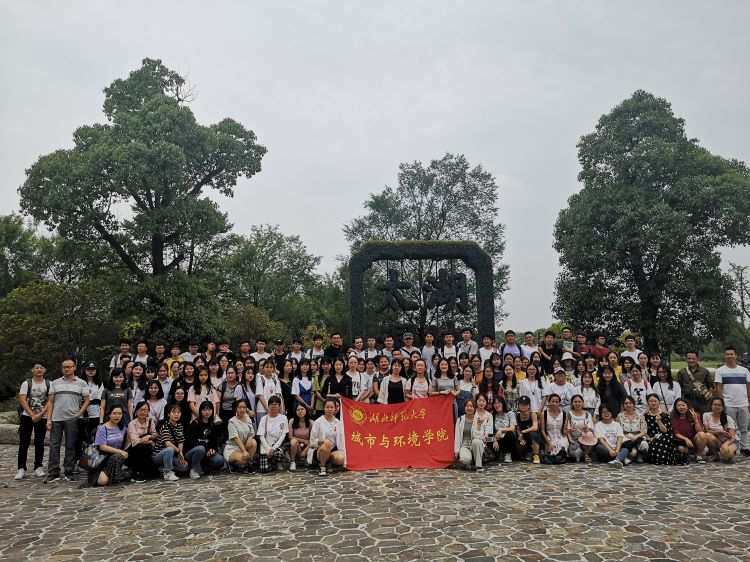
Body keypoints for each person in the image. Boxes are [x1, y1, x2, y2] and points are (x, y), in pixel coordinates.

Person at [44, 359, 90, 484]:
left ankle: (69, 471)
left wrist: (79, 414)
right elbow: (50, 401)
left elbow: (87, 400)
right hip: (56, 418)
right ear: (61, 368)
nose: (67, 369)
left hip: (72, 419)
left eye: (69, 367)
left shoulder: (81, 383)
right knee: (54, 446)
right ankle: (53, 472)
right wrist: (48, 419)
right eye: (64, 367)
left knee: (71, 445)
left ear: (75, 367)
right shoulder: (55, 382)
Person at [16, 360, 51, 480]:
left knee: (39, 442)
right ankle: (21, 468)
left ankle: (38, 467)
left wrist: (41, 414)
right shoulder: (27, 383)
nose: (39, 369)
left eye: (41, 367)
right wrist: (32, 414)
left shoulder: (48, 383)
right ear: (32, 370)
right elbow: (22, 400)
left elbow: (50, 401)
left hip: (42, 417)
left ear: (45, 370)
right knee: (24, 442)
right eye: (37, 367)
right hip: (27, 416)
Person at [714, 346, 750, 456]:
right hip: (728, 404)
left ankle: (744, 447)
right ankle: (731, 447)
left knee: (744, 427)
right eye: (727, 354)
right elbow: (718, 388)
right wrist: (722, 404)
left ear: (736, 355)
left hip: (743, 403)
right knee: (730, 428)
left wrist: (749, 401)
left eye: (732, 354)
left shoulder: (744, 370)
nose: (730, 356)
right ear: (725, 356)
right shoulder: (720, 371)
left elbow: (748, 387)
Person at [88, 405, 129, 487]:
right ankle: (113, 476)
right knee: (102, 482)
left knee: (118, 456)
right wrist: (121, 451)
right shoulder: (102, 428)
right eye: (114, 413)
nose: (117, 416)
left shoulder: (122, 428)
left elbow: (133, 436)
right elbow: (102, 447)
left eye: (119, 414)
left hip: (117, 458)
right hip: (103, 459)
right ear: (109, 415)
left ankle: (115, 477)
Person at [185, 401, 225, 479]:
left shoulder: (212, 425)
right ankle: (194, 469)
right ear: (200, 411)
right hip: (193, 453)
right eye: (204, 410)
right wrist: (204, 452)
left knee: (219, 460)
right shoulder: (195, 423)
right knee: (200, 448)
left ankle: (202, 466)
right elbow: (190, 442)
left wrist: (212, 450)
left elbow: (213, 441)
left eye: (209, 410)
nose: (207, 412)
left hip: (207, 452)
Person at [152, 403, 190, 481]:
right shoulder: (165, 426)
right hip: (158, 456)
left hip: (170, 456)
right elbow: (167, 443)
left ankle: (163, 468)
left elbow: (180, 441)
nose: (176, 414)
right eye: (173, 412)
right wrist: (178, 451)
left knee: (184, 466)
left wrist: (181, 453)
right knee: (170, 449)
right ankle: (168, 473)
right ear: (169, 414)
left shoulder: (179, 426)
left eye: (178, 412)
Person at [309, 397, 346, 476]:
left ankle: (329, 462)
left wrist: (343, 453)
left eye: (332, 407)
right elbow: (312, 441)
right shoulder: (318, 421)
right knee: (327, 445)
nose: (329, 409)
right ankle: (323, 467)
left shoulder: (338, 422)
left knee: (340, 459)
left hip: (333, 449)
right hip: (320, 449)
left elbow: (341, 440)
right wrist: (323, 441)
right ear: (324, 408)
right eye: (327, 407)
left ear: (335, 409)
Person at [454, 398, 492, 471]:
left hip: (476, 445)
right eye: (467, 406)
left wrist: (478, 426)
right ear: (464, 407)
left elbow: (479, 437)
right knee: (465, 460)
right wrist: (456, 451)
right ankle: (471, 460)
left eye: (471, 406)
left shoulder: (479, 419)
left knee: (476, 441)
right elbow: (457, 437)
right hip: (464, 446)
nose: (469, 408)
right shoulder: (460, 420)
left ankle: (478, 465)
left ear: (474, 408)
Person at [125, 401, 158, 482]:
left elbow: (156, 434)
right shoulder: (132, 424)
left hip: (145, 450)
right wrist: (150, 442)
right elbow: (135, 441)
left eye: (145, 410)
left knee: (144, 447)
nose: (143, 412)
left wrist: (149, 436)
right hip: (132, 450)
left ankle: (140, 472)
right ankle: (141, 472)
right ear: (136, 412)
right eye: (140, 410)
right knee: (142, 447)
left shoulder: (150, 421)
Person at [643, 393, 678, 465]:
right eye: (651, 401)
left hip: (663, 438)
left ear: (659, 402)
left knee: (666, 438)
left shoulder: (665, 415)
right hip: (650, 438)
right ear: (647, 403)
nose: (653, 403)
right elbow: (644, 429)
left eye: (655, 401)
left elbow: (665, 431)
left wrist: (659, 421)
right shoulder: (645, 416)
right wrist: (649, 438)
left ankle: (663, 459)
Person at [224, 399, 258, 472]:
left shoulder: (247, 417)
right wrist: (244, 451)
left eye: (244, 407)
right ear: (236, 409)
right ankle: (232, 463)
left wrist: (250, 438)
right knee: (244, 458)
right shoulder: (232, 422)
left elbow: (252, 432)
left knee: (253, 442)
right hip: (233, 448)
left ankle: (247, 465)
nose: (242, 409)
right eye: (240, 407)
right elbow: (236, 439)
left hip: (244, 445)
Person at [671, 398, 708, 463]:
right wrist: (686, 439)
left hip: (693, 440)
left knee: (702, 435)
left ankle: (698, 454)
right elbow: (675, 432)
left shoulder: (693, 415)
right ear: (675, 407)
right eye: (678, 405)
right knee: (681, 449)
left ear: (687, 406)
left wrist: (695, 420)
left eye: (683, 405)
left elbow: (700, 431)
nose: (681, 407)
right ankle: (689, 454)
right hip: (681, 441)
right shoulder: (673, 417)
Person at [702, 397, 738, 462]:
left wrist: (726, 444)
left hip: (729, 441)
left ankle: (731, 453)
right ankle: (715, 455)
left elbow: (733, 438)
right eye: (715, 404)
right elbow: (706, 430)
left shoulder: (728, 418)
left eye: (719, 405)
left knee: (726, 453)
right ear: (711, 405)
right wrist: (719, 432)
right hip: (717, 440)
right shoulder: (706, 415)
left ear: (723, 407)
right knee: (707, 435)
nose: (717, 407)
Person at [258, 396, 288, 473]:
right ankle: (271, 462)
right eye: (271, 404)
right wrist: (268, 449)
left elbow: (283, 435)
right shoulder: (264, 419)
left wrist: (273, 448)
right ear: (268, 405)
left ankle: (277, 462)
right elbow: (261, 436)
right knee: (264, 469)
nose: (273, 406)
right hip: (267, 444)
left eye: (276, 404)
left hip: (278, 444)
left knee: (278, 454)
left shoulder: (283, 418)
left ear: (279, 406)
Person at [616, 396, 648, 464]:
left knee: (644, 444)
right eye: (626, 403)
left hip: (638, 436)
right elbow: (618, 430)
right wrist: (628, 436)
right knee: (625, 442)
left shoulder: (640, 415)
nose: (628, 405)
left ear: (634, 404)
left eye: (630, 403)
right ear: (623, 405)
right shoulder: (620, 416)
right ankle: (634, 453)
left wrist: (636, 436)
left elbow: (644, 431)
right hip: (625, 436)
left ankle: (636, 454)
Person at [540, 393, 569, 462]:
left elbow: (564, 430)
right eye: (552, 401)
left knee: (562, 446)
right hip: (549, 436)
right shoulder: (544, 414)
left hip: (561, 436)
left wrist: (569, 431)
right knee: (551, 451)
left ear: (559, 403)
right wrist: (548, 442)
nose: (554, 404)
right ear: (549, 402)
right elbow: (542, 430)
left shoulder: (564, 414)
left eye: (557, 402)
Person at [567, 395, 595, 463]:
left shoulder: (587, 414)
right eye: (575, 402)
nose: (577, 403)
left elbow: (590, 429)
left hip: (584, 437)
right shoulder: (568, 414)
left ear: (582, 403)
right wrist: (570, 439)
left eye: (579, 402)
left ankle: (586, 454)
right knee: (575, 454)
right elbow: (566, 430)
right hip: (573, 438)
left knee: (589, 434)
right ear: (572, 403)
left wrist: (586, 430)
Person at [255, 358, 283, 425]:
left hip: (274, 408)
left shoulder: (275, 378)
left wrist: (275, 407)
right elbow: (260, 395)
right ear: (263, 368)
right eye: (267, 367)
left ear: (273, 368)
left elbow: (278, 394)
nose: (269, 369)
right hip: (262, 409)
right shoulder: (260, 378)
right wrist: (267, 409)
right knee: (262, 430)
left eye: (271, 367)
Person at [515, 396, 541, 464]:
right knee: (518, 447)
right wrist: (521, 437)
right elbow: (518, 429)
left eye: (525, 404)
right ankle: (527, 453)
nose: (523, 406)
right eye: (521, 404)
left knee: (532, 434)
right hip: (524, 437)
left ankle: (536, 455)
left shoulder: (532, 414)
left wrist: (523, 432)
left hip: (534, 437)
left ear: (529, 405)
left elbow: (535, 427)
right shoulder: (517, 415)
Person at [491, 397, 516, 463]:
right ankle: (500, 453)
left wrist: (501, 429)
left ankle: (508, 454)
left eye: (499, 403)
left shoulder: (510, 413)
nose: (497, 405)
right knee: (488, 438)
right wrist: (494, 440)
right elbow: (491, 430)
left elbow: (513, 428)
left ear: (503, 404)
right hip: (497, 439)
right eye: (495, 403)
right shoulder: (492, 415)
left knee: (510, 433)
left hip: (507, 439)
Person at [288, 403, 312, 471]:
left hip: (307, 446)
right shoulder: (291, 421)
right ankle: (292, 462)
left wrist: (305, 451)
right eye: (298, 410)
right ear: (295, 412)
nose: (300, 411)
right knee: (293, 441)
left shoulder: (311, 422)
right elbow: (290, 437)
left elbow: (313, 439)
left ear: (306, 410)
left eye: (302, 409)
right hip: (297, 445)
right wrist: (303, 440)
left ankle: (307, 459)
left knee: (313, 442)